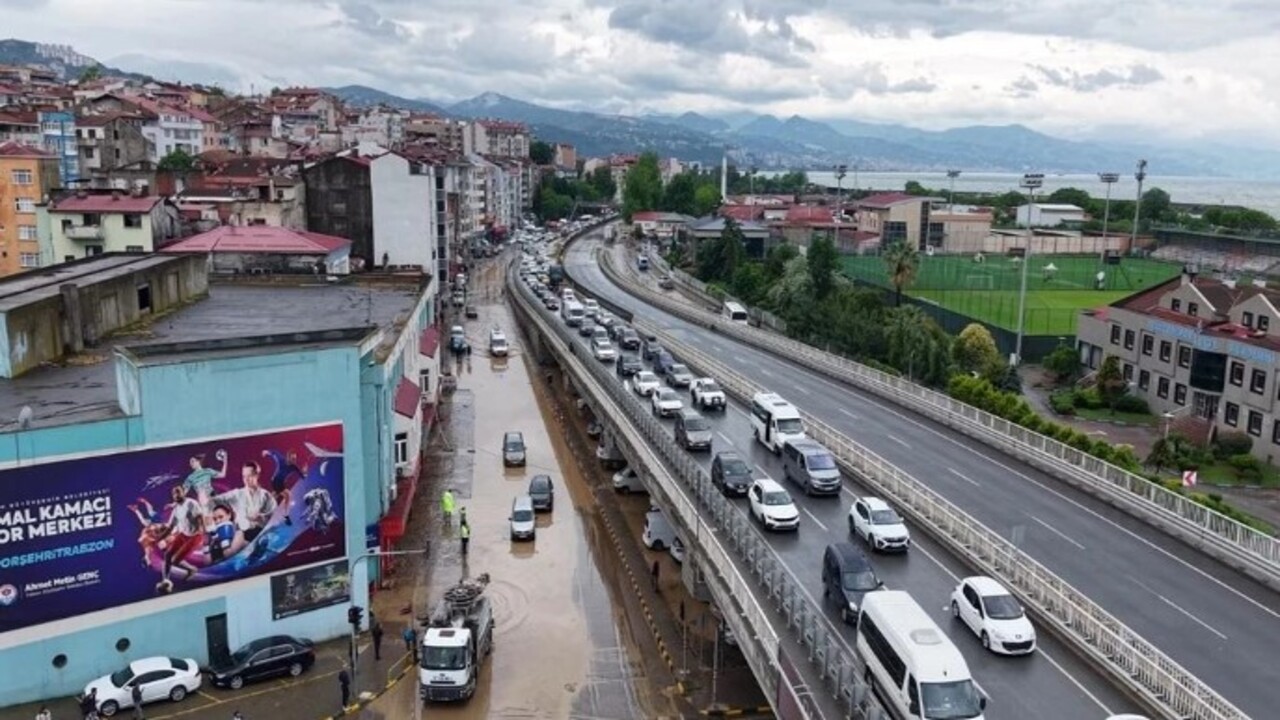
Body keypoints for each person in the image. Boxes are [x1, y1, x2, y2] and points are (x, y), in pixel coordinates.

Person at [159, 485, 204, 593]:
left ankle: (191, 569)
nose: (176, 495)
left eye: (178, 492)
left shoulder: (191, 503)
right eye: (174, 494)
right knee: (167, 555)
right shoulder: (176, 509)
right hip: (183, 534)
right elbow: (170, 527)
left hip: (195, 536)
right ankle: (166, 581)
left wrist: (201, 530)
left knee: (175, 561)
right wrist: (160, 538)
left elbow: (199, 517)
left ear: (184, 492)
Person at [262, 449, 305, 526]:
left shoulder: (294, 467)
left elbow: (302, 476)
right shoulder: (281, 460)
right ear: (288, 457)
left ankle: (267, 507)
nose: (293, 461)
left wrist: (304, 473)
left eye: (294, 459)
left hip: (281, 483)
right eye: (292, 459)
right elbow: (274, 452)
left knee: (280, 495)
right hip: (275, 481)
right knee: (287, 495)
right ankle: (285, 516)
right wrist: (266, 452)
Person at [183, 450, 229, 516]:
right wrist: (176, 503)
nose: (191, 464)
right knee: (209, 515)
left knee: (220, 512)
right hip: (203, 499)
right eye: (190, 463)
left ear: (198, 461)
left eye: (192, 461)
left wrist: (225, 460)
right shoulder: (190, 477)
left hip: (212, 496)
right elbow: (184, 492)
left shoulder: (207, 471)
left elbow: (223, 474)